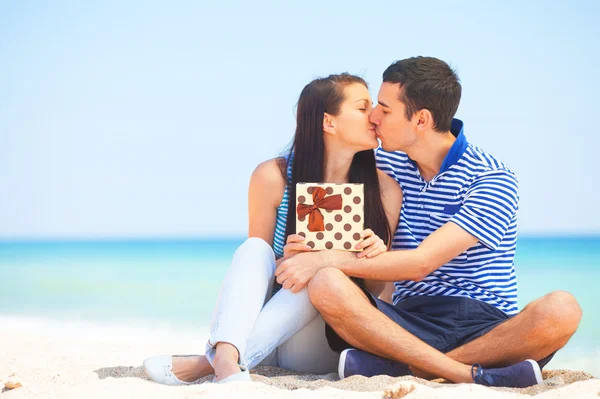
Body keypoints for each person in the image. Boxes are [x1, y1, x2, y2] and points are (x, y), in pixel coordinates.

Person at [274, 57, 583, 388]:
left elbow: (421, 263)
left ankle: (415, 368)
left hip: (486, 324)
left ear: (420, 119)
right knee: (326, 284)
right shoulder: (384, 164)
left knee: (562, 309)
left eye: (385, 109)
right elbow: (323, 158)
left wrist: (323, 258)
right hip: (407, 320)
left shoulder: (492, 178)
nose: (374, 117)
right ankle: (467, 373)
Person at [143, 73, 402, 385]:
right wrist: (286, 265)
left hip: (316, 344)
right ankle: (226, 359)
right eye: (363, 108)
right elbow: (254, 275)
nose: (374, 116)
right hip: (267, 331)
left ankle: (211, 362)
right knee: (255, 249)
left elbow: (377, 298)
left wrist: (372, 260)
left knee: (320, 275)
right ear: (328, 123)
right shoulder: (273, 177)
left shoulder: (385, 190)